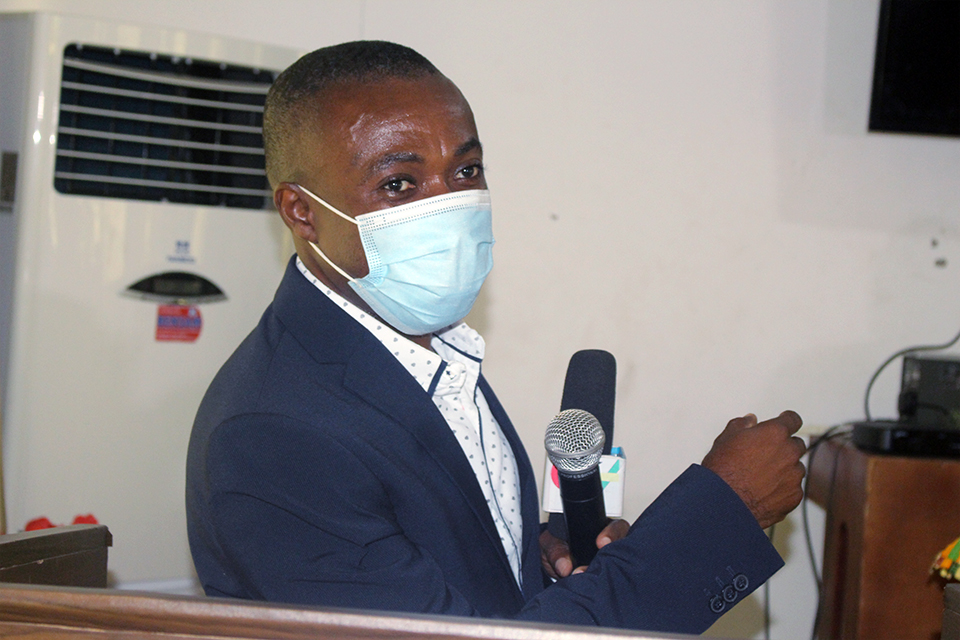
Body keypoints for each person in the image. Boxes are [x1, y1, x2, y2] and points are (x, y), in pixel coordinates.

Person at [186, 40, 806, 634]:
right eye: (400, 182)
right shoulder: (277, 431)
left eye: (466, 169)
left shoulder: (425, 346)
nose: (451, 203)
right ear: (302, 211)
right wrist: (726, 513)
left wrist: (524, 554)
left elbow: (433, 552)